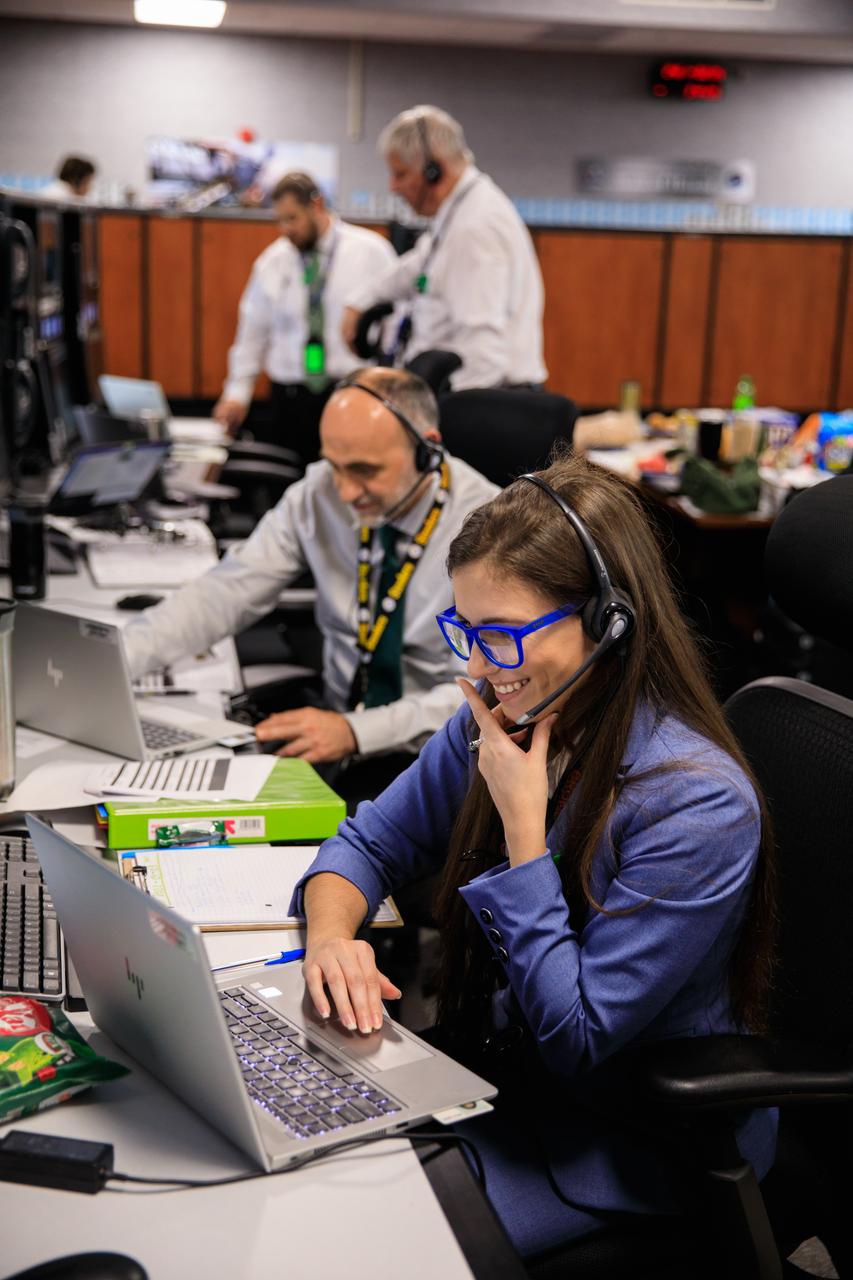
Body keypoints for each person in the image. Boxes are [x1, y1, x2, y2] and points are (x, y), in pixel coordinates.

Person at [290, 451, 777, 1258]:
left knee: (362, 1248)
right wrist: (331, 937)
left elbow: (576, 1036)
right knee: (306, 1178)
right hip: (496, 1079)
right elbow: (364, 841)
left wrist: (524, 838)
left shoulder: (696, 802)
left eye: (502, 637)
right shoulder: (501, 718)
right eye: (465, 633)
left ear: (608, 622)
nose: (477, 669)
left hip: (625, 1141)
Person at [124, 367, 498, 804]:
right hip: (338, 730)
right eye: (334, 465)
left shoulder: (489, 528)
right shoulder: (318, 493)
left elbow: (488, 692)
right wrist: (118, 660)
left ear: (427, 450)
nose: (343, 490)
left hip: (439, 753)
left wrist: (357, 732)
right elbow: (224, 593)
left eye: (364, 470)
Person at [341, 105, 547, 393]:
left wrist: (435, 413)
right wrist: (359, 302)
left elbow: (483, 355)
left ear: (433, 171)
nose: (393, 187)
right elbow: (416, 268)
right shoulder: (456, 215)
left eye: (400, 175)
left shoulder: (473, 228)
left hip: (485, 398)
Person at [213, 171, 398, 466]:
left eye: (293, 218)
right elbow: (252, 334)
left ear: (317, 204)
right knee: (288, 489)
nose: (286, 229)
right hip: (290, 401)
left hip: (351, 395)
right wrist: (237, 392)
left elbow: (396, 324)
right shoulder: (272, 262)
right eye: (280, 220)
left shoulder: (370, 252)